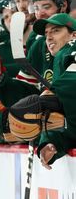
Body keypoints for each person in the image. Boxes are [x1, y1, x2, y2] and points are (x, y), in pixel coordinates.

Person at [32, 13, 76, 170]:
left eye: (56, 31)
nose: (49, 38)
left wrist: (54, 93)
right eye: (46, 33)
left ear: (74, 35)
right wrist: (51, 143)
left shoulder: (71, 49)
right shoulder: (59, 61)